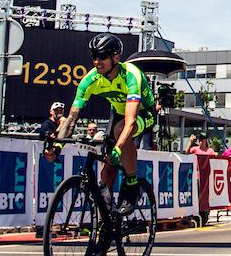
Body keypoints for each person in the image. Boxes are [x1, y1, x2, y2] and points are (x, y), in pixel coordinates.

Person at [54, 33, 156, 215]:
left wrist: (118, 149)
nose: (96, 62)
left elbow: (130, 122)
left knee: (120, 132)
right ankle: (105, 225)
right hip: (118, 113)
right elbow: (71, 118)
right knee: (106, 172)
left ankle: (132, 185)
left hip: (143, 112)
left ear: (116, 57)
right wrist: (57, 144)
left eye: (102, 56)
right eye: (94, 56)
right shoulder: (90, 80)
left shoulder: (131, 75)